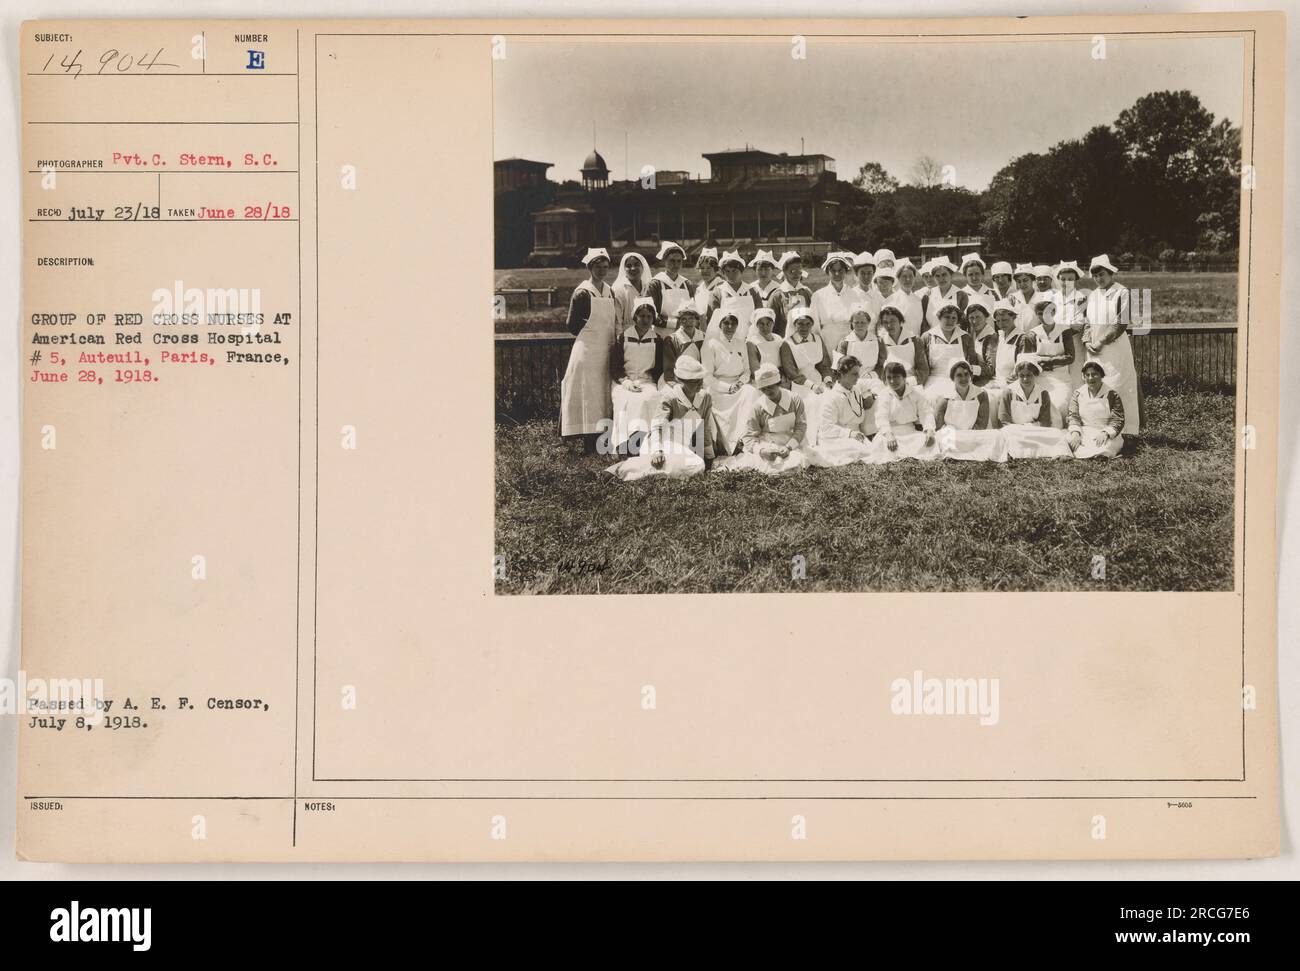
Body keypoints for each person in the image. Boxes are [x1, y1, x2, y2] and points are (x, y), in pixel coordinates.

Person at [607, 355, 714, 480]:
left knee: (696, 465)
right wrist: (657, 452)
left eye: (701, 379)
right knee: (696, 465)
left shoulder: (705, 398)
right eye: (694, 381)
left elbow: (705, 428)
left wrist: (709, 455)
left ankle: (640, 465)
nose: (700, 384)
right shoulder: (670, 397)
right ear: (680, 380)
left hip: (682, 448)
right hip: (661, 444)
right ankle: (622, 468)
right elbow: (657, 427)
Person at [561, 247, 618, 450]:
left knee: (602, 396)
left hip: (606, 350)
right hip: (587, 351)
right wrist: (591, 335)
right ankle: (587, 442)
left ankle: (602, 440)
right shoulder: (583, 292)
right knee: (587, 395)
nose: (602, 270)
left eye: (605, 267)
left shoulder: (609, 290)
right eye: (597, 267)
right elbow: (572, 325)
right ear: (589, 267)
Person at [1084, 254, 1142, 436]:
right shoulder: (1093, 295)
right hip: (1094, 349)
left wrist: (1101, 341)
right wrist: (1087, 341)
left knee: (1118, 385)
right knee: (1096, 385)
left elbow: (1121, 322)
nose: (1099, 279)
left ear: (1110, 273)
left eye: (1102, 274)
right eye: (1095, 276)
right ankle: (1100, 428)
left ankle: (1126, 431)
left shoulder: (1121, 292)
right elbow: (1087, 321)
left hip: (1114, 348)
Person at [717, 363, 809, 474]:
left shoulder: (795, 399)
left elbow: (801, 426)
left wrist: (789, 447)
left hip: (793, 441)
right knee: (765, 464)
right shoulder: (758, 407)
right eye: (763, 389)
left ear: (778, 383)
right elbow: (749, 436)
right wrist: (763, 451)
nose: (767, 392)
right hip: (769, 443)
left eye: (771, 387)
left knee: (798, 460)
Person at [608, 297, 663, 454]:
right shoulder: (623, 337)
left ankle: (646, 443)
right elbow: (615, 366)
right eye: (642, 316)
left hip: (647, 382)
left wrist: (654, 382)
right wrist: (626, 382)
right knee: (625, 400)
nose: (645, 320)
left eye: (649, 317)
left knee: (649, 399)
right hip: (623, 382)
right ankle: (624, 444)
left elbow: (659, 368)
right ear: (635, 317)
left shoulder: (657, 340)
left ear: (653, 318)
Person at [997, 355, 1074, 459]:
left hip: (1035, 430)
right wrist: (1020, 429)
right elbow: (1003, 420)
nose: (1025, 379)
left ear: (1035, 375)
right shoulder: (1009, 392)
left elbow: (1045, 422)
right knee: (1005, 434)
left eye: (1029, 375)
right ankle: (1035, 451)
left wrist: (1028, 428)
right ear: (1017, 375)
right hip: (1014, 431)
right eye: (1021, 375)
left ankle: (1024, 451)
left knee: (1056, 433)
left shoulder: (1043, 394)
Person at [807, 355, 877, 466]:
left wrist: (869, 394)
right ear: (842, 374)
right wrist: (849, 433)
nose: (858, 377)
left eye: (858, 373)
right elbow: (826, 428)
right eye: (854, 374)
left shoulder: (856, 387)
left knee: (874, 450)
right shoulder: (831, 397)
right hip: (835, 438)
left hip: (856, 435)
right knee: (864, 452)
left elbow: (875, 383)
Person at [934, 359, 1007, 462]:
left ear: (971, 376)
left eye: (966, 374)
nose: (964, 378)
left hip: (974, 434)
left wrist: (970, 435)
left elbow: (982, 423)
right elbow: (938, 425)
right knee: (941, 437)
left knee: (996, 436)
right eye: (959, 375)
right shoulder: (944, 396)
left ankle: (963, 450)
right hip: (953, 435)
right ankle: (964, 450)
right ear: (952, 378)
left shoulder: (981, 394)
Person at [1018, 298, 1076, 427]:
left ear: (1054, 312)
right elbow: (1029, 358)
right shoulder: (1033, 334)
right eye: (1039, 313)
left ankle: (1059, 432)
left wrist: (1046, 361)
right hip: (1040, 378)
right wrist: (1042, 362)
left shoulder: (1064, 331)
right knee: (1038, 405)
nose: (1043, 316)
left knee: (1060, 404)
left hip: (1061, 378)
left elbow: (1070, 357)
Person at [868, 361, 939, 462]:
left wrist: (929, 430)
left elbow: (926, 412)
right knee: (881, 443)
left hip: (910, 432)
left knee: (926, 441)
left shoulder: (915, 393)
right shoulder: (884, 394)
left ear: (904, 377)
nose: (892, 381)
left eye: (896, 377)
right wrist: (889, 435)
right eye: (889, 377)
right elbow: (881, 417)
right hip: (890, 433)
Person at [702, 312, 752, 455]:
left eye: (733, 323)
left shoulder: (741, 343)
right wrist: (727, 387)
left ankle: (744, 438)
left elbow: (747, 370)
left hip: (739, 385)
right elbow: (707, 376)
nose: (730, 327)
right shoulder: (710, 344)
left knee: (751, 392)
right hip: (717, 387)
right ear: (719, 324)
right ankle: (729, 444)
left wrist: (740, 384)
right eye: (726, 323)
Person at [921, 300, 980, 402]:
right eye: (947, 317)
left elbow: (972, 363)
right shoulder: (928, 336)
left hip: (960, 380)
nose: (950, 321)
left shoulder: (965, 337)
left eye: (954, 318)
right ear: (939, 317)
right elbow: (923, 365)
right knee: (933, 398)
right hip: (935, 379)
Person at [1067, 360, 1126, 459]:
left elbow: (1118, 419)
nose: (1090, 378)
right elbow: (1073, 416)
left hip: (1104, 431)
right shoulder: (1078, 394)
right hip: (1085, 431)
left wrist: (1106, 433)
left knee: (1106, 446)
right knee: (1069, 439)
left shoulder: (1112, 395)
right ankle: (1088, 453)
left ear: (1101, 375)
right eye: (1087, 375)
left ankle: (1099, 454)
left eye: (1094, 374)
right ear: (1084, 377)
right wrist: (1076, 433)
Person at [780, 306, 834, 407]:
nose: (804, 327)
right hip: (800, 383)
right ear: (794, 325)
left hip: (819, 379)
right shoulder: (787, 344)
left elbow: (824, 364)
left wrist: (828, 380)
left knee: (829, 400)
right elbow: (791, 372)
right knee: (810, 404)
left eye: (808, 324)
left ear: (812, 325)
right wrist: (812, 386)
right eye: (800, 324)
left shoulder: (817, 339)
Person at [706, 250, 761, 340]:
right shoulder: (718, 292)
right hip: (726, 340)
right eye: (727, 271)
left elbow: (759, 317)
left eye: (734, 271)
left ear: (741, 271)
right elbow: (713, 321)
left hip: (750, 338)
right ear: (723, 273)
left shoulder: (752, 291)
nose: (731, 275)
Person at [810, 251, 857, 351]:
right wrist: (821, 351)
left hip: (849, 342)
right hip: (827, 343)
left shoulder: (854, 294)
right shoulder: (818, 295)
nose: (837, 273)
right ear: (827, 271)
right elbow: (815, 328)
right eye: (833, 270)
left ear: (845, 271)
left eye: (840, 270)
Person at [646, 241, 696, 334]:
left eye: (679, 261)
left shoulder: (687, 284)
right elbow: (650, 313)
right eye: (672, 261)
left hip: (685, 333)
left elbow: (693, 311)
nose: (676, 265)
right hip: (661, 334)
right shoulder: (656, 284)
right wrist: (674, 323)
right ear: (664, 261)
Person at [876, 304, 928, 387]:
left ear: (900, 321)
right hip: (890, 383)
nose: (889, 325)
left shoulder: (915, 340)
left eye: (893, 321)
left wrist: (909, 382)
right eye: (885, 322)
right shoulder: (880, 342)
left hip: (912, 382)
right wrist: (887, 382)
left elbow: (923, 369)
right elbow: (879, 368)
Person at [659, 304, 705, 390]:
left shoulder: (703, 337)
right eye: (684, 319)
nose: (688, 322)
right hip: (677, 378)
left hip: (698, 377)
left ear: (696, 320)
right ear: (679, 321)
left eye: (691, 318)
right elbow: (669, 370)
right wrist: (680, 385)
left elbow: (706, 364)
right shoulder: (671, 340)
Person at [984, 299, 1023, 392]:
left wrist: (1003, 385)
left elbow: (1021, 369)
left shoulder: (1022, 338)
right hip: (998, 382)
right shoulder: (1000, 337)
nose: (1001, 324)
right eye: (998, 321)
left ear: (1013, 317)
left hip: (1014, 385)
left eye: (1005, 320)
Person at [921, 257, 966, 331]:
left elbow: (963, 321)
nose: (941, 279)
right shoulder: (927, 296)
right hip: (932, 337)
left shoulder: (961, 295)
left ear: (951, 275)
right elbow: (923, 321)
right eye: (937, 276)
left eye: (944, 274)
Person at [775, 250, 813, 336]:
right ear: (784, 272)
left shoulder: (806, 292)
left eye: (799, 271)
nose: (796, 274)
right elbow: (772, 322)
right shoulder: (777, 295)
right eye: (792, 271)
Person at [964, 294, 997, 386]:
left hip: (988, 380)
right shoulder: (973, 334)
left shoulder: (991, 337)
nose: (974, 321)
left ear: (986, 316)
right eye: (971, 318)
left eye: (978, 317)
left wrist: (970, 368)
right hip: (975, 378)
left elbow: (991, 370)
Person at [611, 251, 651, 329]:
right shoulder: (618, 289)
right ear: (624, 269)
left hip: (648, 334)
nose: (633, 268)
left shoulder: (648, 287)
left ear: (643, 267)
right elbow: (617, 320)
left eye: (636, 265)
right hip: (627, 334)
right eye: (629, 266)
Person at [888, 260, 925, 338]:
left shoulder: (918, 300)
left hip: (916, 342)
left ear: (914, 278)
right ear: (898, 278)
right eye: (904, 276)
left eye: (911, 276)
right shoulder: (891, 300)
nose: (908, 279)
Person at [848, 251, 883, 322]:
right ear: (856, 274)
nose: (866, 276)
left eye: (869, 273)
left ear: (873, 274)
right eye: (862, 273)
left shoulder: (878, 297)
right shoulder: (850, 295)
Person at [692, 247, 723, 316]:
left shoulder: (722, 287)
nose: (705, 271)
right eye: (702, 268)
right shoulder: (698, 289)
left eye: (709, 268)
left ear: (716, 269)